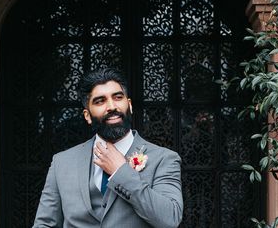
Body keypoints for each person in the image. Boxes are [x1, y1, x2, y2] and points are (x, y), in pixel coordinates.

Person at [32, 68, 183, 228]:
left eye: (118, 98)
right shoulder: (62, 162)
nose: (111, 106)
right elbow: (45, 224)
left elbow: (169, 219)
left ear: (129, 105)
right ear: (87, 116)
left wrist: (121, 172)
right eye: (100, 101)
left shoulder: (164, 159)